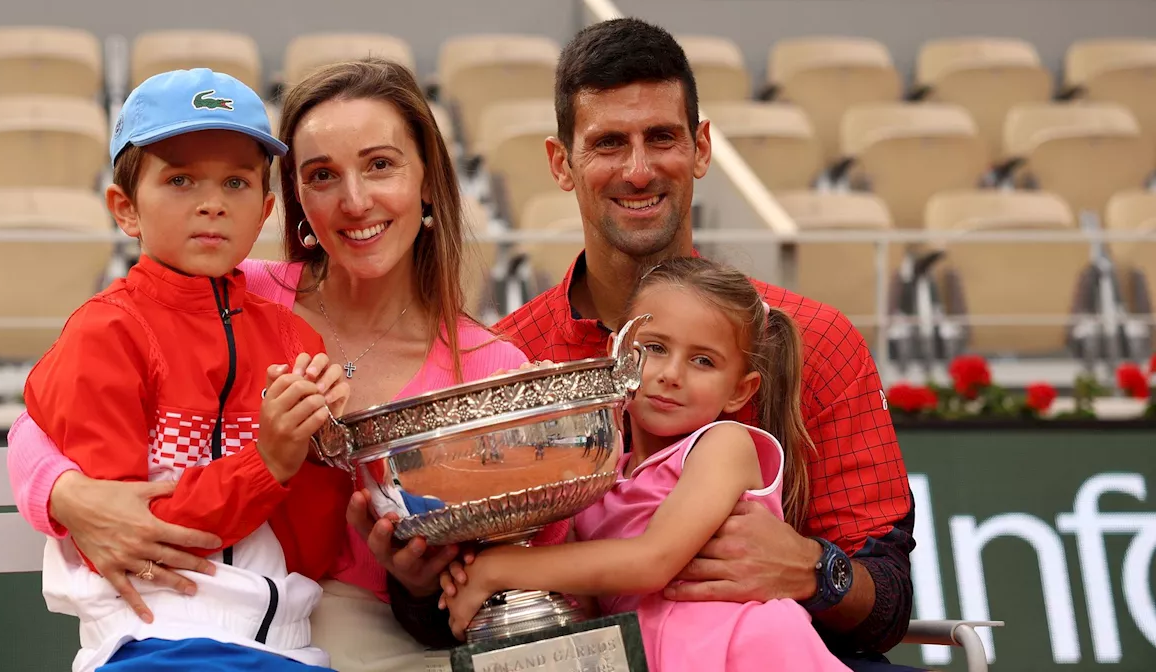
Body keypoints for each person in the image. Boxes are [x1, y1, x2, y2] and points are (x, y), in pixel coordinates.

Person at [379, 17, 919, 671]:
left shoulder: (815, 338)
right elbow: (454, 608)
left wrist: (813, 569)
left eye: (661, 138)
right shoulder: (507, 359)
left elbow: (888, 605)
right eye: (608, 143)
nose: (638, 170)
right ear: (561, 163)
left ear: (700, 148)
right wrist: (416, 583)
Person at [6, 59, 531, 671]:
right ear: (294, 201)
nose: (355, 200)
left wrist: (410, 578)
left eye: (380, 165)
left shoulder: (492, 366)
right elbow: (41, 419)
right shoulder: (225, 287)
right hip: (175, 625)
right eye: (322, 174)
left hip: (353, 631)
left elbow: (506, 584)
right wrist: (65, 494)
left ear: (430, 181)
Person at [23, 67, 354, 671]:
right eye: (179, 180)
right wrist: (269, 462)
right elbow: (128, 539)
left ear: (265, 211)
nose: (211, 203)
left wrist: (322, 451)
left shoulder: (293, 336)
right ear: (125, 209)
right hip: (152, 641)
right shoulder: (105, 332)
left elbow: (313, 548)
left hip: (289, 646)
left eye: (235, 182)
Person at [440, 257, 851, 671]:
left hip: (754, 653)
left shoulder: (724, 445)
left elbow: (653, 562)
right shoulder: (595, 477)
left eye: (703, 360)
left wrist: (501, 569)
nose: (671, 374)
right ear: (616, 354)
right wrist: (484, 591)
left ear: (739, 391)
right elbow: (585, 603)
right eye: (654, 348)